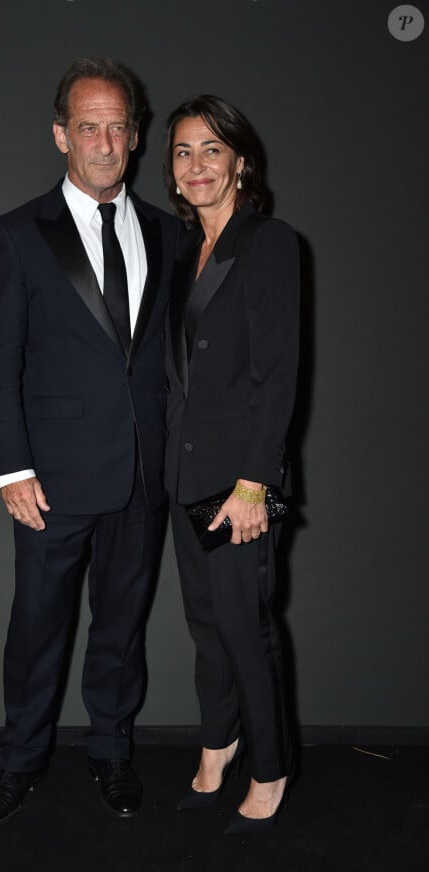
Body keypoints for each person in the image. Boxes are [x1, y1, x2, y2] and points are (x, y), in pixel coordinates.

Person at [0, 57, 177, 826]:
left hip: (142, 478)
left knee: (121, 633)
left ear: (134, 136)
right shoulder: (18, 235)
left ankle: (112, 754)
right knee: (38, 631)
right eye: (87, 126)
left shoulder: (166, 233)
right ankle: (19, 763)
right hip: (50, 480)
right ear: (62, 135)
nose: (103, 141)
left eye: (116, 127)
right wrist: (11, 467)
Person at [163, 95, 299, 835]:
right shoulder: (185, 255)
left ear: (241, 161)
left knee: (245, 627)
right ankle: (219, 745)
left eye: (212, 149)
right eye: (184, 152)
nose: (197, 164)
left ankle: (271, 769)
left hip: (240, 482)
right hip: (187, 473)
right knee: (206, 624)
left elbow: (278, 376)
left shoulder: (271, 243)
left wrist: (255, 484)